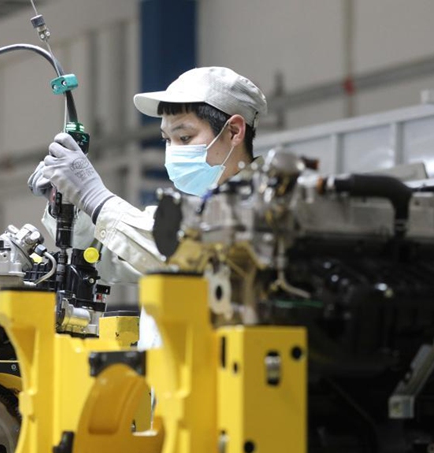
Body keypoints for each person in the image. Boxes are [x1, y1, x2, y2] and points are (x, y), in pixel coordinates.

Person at [28, 66, 267, 347]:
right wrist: (70, 204)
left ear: (234, 131)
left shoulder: (267, 209)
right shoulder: (190, 215)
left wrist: (96, 197)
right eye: (167, 140)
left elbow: (186, 253)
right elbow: (112, 255)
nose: (173, 151)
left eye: (185, 138)